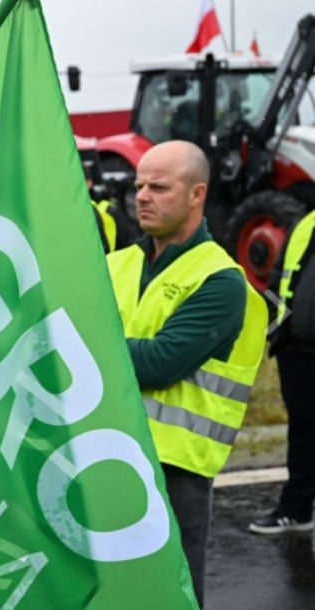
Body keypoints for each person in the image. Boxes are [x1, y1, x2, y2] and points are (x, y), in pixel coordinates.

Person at [105, 140, 266, 606]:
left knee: (166, 594)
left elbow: (161, 364)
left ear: (197, 194)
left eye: (159, 186)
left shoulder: (220, 279)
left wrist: (88, 348)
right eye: (139, 185)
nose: (142, 196)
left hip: (174, 472)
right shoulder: (116, 264)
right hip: (104, 453)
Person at [250, 207, 315, 534]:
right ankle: (297, 508)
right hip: (298, 354)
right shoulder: (305, 223)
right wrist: (278, 332)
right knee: (303, 434)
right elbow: (279, 278)